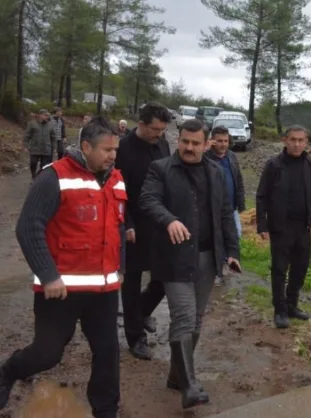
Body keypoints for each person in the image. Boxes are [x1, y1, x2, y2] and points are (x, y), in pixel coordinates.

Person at [0, 116, 126, 417]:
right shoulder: (53, 177)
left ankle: (106, 410)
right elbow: (28, 227)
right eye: (106, 150)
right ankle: (9, 370)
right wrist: (48, 276)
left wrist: (121, 267)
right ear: (86, 146)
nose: (112, 156)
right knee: (47, 353)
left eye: (115, 150)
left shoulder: (117, 179)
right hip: (61, 289)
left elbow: (119, 226)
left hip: (104, 289)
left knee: (108, 352)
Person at [139, 118, 240, 409]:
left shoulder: (215, 172)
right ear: (178, 139)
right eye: (185, 141)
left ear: (207, 144)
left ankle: (176, 376)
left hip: (208, 257)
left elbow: (225, 213)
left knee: (196, 318)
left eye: (196, 143)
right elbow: (147, 200)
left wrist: (232, 251)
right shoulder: (161, 169)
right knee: (183, 315)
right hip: (174, 256)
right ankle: (190, 386)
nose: (189, 147)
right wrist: (168, 220)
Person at [116, 102, 172, 360]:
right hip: (133, 225)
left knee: (164, 277)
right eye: (155, 129)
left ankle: (141, 312)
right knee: (131, 282)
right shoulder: (123, 149)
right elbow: (117, 191)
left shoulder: (163, 145)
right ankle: (135, 336)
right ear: (141, 124)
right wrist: (127, 222)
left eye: (162, 130)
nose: (159, 134)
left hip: (159, 222)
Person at [255, 125, 311, 329]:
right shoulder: (274, 166)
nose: (296, 144)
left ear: (306, 142)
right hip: (281, 227)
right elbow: (261, 196)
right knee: (279, 269)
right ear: (285, 140)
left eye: (301, 140)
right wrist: (262, 225)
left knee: (300, 268)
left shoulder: (310, 164)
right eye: (293, 140)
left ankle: (292, 305)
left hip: (303, 227)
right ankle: (280, 310)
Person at [205, 126, 246, 286]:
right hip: (214, 207)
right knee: (217, 237)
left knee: (236, 233)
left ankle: (225, 262)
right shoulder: (206, 158)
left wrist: (241, 203)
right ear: (212, 141)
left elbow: (239, 179)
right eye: (219, 141)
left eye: (226, 141)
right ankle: (218, 269)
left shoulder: (231, 156)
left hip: (231, 206)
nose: (223, 144)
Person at [23, 109, 57, 179]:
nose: (47, 117)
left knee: (44, 166)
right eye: (45, 115)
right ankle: (33, 176)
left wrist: (54, 148)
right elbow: (27, 135)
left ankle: (40, 178)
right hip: (35, 148)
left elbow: (53, 137)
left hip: (46, 149)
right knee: (33, 163)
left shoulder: (50, 125)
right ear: (40, 115)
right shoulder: (32, 124)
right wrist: (25, 146)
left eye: (48, 115)